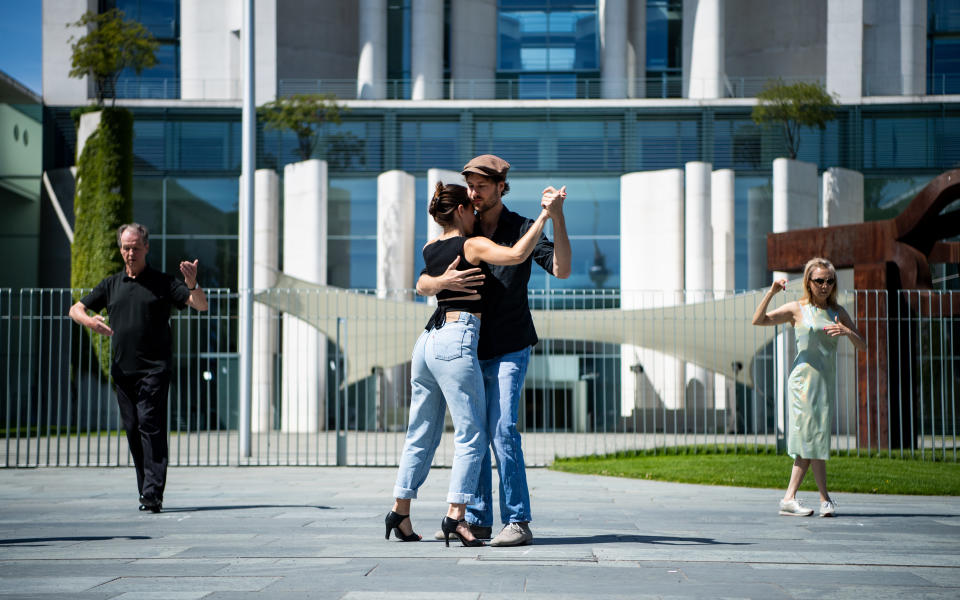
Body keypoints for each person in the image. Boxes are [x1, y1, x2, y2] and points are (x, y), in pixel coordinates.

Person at [386, 182, 555, 547]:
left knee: (420, 433)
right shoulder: (470, 243)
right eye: (471, 206)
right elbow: (515, 255)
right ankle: (456, 517)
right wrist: (544, 216)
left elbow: (420, 285)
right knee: (473, 434)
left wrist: (440, 281)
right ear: (462, 211)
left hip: (427, 341)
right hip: (457, 337)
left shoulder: (430, 247)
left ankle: (400, 511)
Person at [418, 155, 571, 547]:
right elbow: (422, 280)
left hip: (510, 345)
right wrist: (440, 282)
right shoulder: (462, 229)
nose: (473, 192)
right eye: (470, 186)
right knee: (475, 433)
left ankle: (518, 521)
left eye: (481, 186)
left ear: (501, 186)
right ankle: (479, 519)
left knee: (502, 431)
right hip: (466, 347)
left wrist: (555, 217)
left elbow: (562, 269)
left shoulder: (520, 226)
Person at [69, 223, 208, 513]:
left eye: (135, 247)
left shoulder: (163, 282)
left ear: (146, 248)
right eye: (125, 248)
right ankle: (146, 489)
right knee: (133, 429)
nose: (130, 253)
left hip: (155, 369)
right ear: (121, 250)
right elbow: (75, 309)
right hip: (123, 371)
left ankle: (153, 494)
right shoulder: (111, 285)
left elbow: (200, 305)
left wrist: (193, 283)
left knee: (150, 425)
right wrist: (90, 322)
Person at [751, 257, 866, 517]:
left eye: (829, 281)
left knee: (815, 437)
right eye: (819, 280)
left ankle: (798, 498)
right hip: (803, 382)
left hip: (825, 382)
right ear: (808, 282)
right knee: (811, 436)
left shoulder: (837, 311)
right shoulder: (797, 309)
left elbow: (863, 345)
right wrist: (771, 292)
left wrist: (847, 332)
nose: (825, 285)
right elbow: (758, 320)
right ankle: (815, 498)